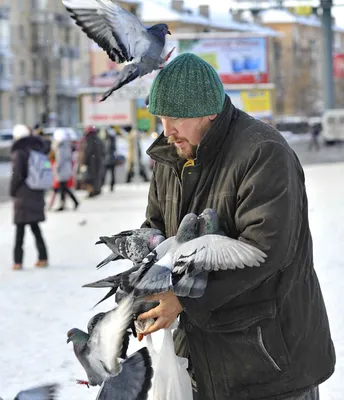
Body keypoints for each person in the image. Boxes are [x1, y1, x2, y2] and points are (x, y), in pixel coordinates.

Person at [137, 54, 335, 400]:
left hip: (269, 362)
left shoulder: (263, 152)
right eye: (161, 117)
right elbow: (155, 228)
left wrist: (182, 300)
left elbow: (266, 252)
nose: (167, 130)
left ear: (209, 111)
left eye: (176, 118)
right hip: (202, 357)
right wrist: (145, 285)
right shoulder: (171, 156)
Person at [10, 124, 48, 270]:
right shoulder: (37, 148)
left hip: (23, 194)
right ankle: (43, 257)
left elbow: (17, 175)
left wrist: (13, 191)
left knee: (20, 230)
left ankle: (17, 261)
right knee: (35, 227)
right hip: (36, 191)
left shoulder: (19, 151)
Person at [50, 128, 79, 211]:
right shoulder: (66, 145)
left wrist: (56, 169)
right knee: (64, 187)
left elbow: (60, 160)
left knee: (63, 187)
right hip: (66, 169)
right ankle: (64, 203)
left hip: (62, 170)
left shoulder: (61, 147)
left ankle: (69, 203)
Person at [79, 126, 104, 197]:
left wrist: (85, 162)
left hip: (91, 163)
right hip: (98, 162)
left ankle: (92, 191)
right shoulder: (98, 139)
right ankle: (96, 190)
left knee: (88, 178)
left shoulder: (89, 140)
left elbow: (88, 151)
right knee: (96, 177)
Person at [102, 126, 117, 191]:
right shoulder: (108, 139)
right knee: (106, 173)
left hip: (109, 159)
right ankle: (103, 185)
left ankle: (110, 186)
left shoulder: (109, 139)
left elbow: (112, 149)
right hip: (108, 159)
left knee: (110, 174)